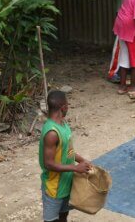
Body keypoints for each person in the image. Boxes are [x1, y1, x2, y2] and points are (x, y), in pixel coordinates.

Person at [39, 90, 92, 222]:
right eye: (67, 104)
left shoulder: (64, 125)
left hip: (66, 184)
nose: (68, 107)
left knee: (64, 216)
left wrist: (82, 160)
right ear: (63, 107)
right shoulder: (52, 133)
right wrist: (75, 168)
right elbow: (48, 164)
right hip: (54, 188)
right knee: (51, 220)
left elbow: (68, 151)